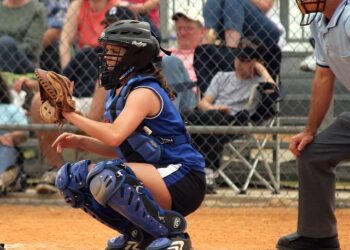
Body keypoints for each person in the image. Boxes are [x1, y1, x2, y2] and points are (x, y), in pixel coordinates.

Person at [52, 20, 205, 250]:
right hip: (155, 172)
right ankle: (136, 234)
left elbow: (114, 135)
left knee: (109, 175)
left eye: (114, 52)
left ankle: (171, 236)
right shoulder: (119, 90)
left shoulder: (144, 91)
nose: (106, 58)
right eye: (107, 51)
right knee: (73, 179)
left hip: (183, 177)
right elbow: (125, 146)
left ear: (136, 55)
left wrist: (69, 113)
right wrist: (80, 140)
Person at [276, 1, 349, 250]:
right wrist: (310, 131)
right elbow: (324, 75)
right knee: (313, 153)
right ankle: (319, 237)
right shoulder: (319, 22)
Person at [187, 36, 278, 194]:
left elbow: (274, 92)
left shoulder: (259, 84)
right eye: (238, 58)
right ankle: (190, 168)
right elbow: (203, 103)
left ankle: (208, 173)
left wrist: (261, 69)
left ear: (258, 62)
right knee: (186, 116)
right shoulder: (222, 76)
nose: (239, 63)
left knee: (212, 120)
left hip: (236, 121)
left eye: (246, 60)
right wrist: (215, 108)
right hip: (212, 114)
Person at [203, 0, 281, 80]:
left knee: (233, 2)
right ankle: (204, 54)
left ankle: (230, 60)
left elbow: (265, 5)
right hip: (227, 28)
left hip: (265, 31)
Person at [0, 74, 29, 195]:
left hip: (4, 145)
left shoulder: (10, 109)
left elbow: (24, 133)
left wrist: (12, 136)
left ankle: (2, 180)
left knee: (7, 147)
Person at [0, 0, 46, 74]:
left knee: (6, 44)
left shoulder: (36, 9)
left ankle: (7, 83)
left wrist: (4, 51)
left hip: (24, 62)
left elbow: (31, 45)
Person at [171, 5, 205, 83]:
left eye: (188, 28)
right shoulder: (164, 53)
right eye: (179, 28)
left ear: (202, 31)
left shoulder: (205, 55)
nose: (182, 33)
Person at [39, 0, 70, 73]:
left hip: (52, 44)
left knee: (50, 56)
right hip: (28, 42)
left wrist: (33, 48)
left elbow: (56, 31)